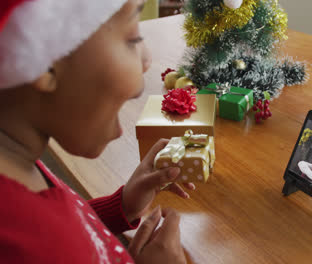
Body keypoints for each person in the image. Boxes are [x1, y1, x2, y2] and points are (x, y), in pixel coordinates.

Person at [0, 0, 193, 263]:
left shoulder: (18, 170)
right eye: (133, 38)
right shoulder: (31, 242)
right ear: (45, 59)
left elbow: (67, 237)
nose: (147, 59)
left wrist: (121, 207)